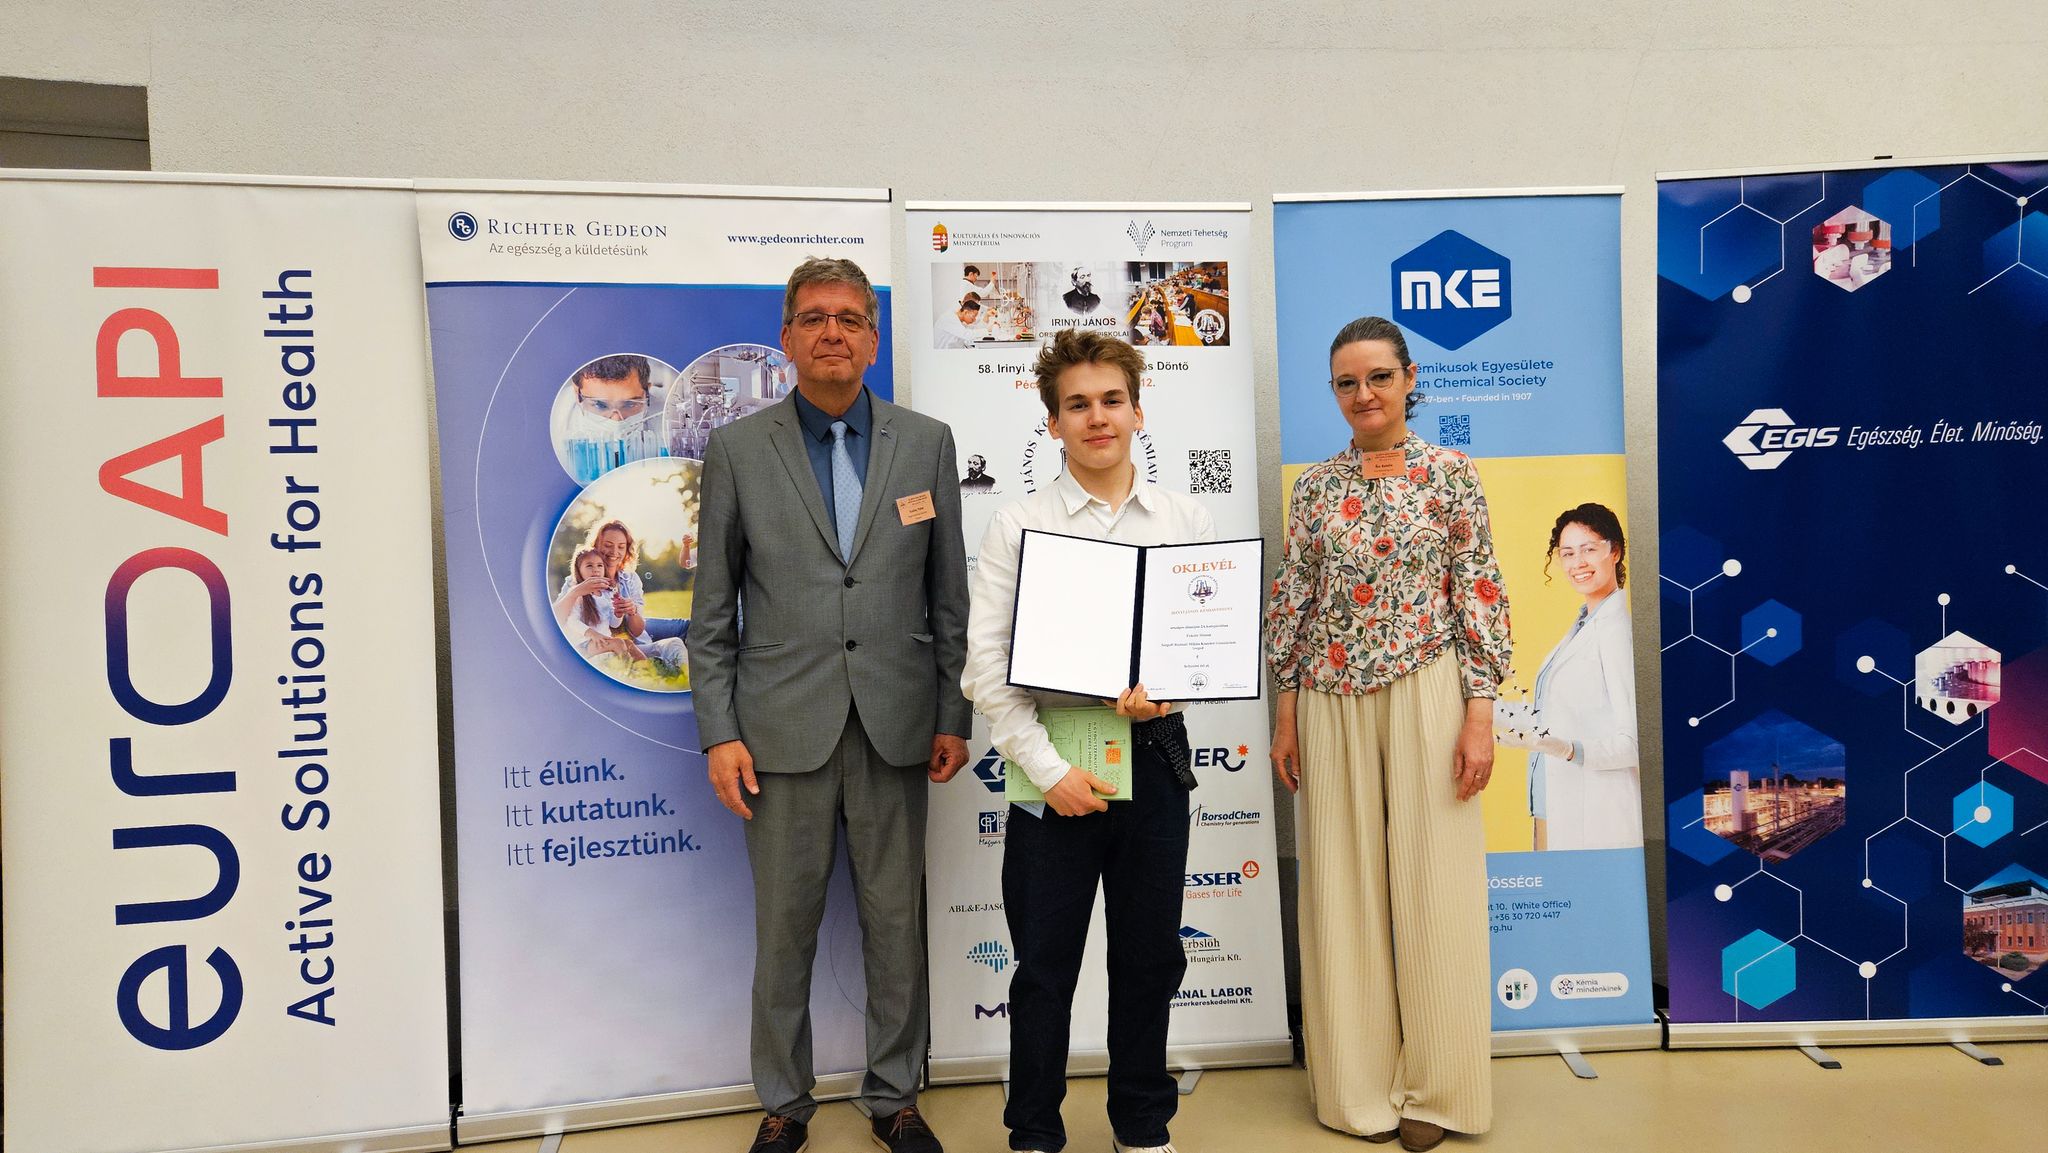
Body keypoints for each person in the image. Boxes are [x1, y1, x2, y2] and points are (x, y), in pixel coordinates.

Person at [689, 256, 971, 1153]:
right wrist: (719, 732)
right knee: (785, 930)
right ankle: (784, 1101)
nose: (832, 333)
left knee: (896, 926)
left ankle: (895, 1097)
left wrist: (953, 714)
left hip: (897, 724)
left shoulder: (926, 444)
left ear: (873, 340)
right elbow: (710, 612)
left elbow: (949, 596)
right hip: (779, 731)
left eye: (850, 318)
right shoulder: (739, 450)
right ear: (787, 337)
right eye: (814, 318)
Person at [962, 329, 1213, 1153]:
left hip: (1155, 754)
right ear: (1053, 422)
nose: (1097, 417)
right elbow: (986, 669)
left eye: (1111, 400)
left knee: (1149, 957)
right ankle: (1034, 1129)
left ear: (1138, 411)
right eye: (1078, 404)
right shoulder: (1018, 523)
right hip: (1053, 760)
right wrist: (1049, 770)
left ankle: (1141, 1123)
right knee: (1044, 964)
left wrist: (1171, 689)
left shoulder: (1183, 518)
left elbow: (1202, 643)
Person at [1265, 316, 1511, 1153]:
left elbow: (1479, 590)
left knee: (1436, 885)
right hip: (1328, 697)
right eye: (1347, 382)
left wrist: (1480, 712)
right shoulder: (1313, 488)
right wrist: (1287, 708)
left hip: (1428, 687)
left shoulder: (1452, 475)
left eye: (1378, 376)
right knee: (1342, 888)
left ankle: (1439, 1088)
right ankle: (1358, 1086)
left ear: (1409, 379)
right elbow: (1293, 600)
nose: (1363, 394)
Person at [1498, 503, 1640, 851]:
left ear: (1615, 551)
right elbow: (1552, 716)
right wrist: (1489, 709)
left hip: (1594, 814)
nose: (1578, 563)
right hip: (1550, 806)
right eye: (1567, 553)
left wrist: (1567, 749)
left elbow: (1634, 743)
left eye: (1589, 549)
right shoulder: (1583, 625)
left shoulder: (1618, 630)